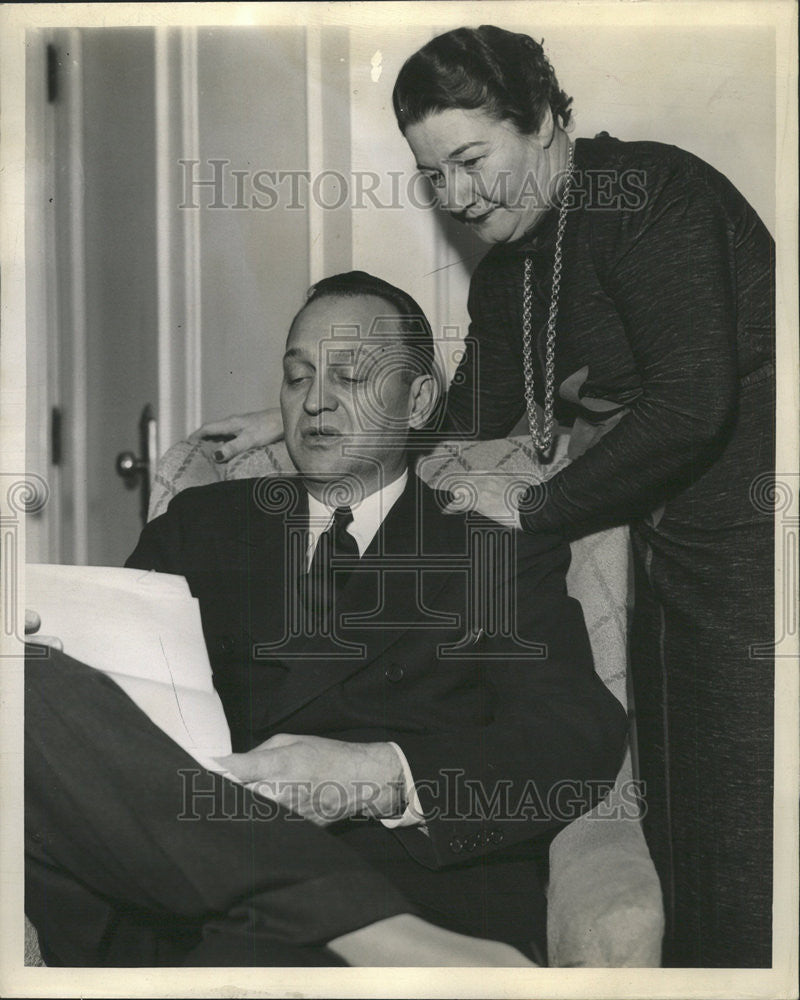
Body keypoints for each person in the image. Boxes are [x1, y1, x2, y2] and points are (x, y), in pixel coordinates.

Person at [197, 26, 776, 969]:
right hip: (676, 545)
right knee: (696, 832)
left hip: (763, 533)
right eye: (435, 176)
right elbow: (460, 415)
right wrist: (301, 413)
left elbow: (691, 404)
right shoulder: (512, 269)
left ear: (546, 120)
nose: (458, 198)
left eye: (472, 160)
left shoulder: (651, 195)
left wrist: (536, 511)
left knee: (754, 831)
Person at [25, 271, 627, 967]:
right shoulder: (202, 527)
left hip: (406, 884)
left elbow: (573, 738)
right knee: (34, 673)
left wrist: (376, 776)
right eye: (296, 376)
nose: (314, 401)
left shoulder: (490, 557)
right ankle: (342, 917)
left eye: (349, 375)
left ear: (420, 400)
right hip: (185, 886)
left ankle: (355, 921)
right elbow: (113, 702)